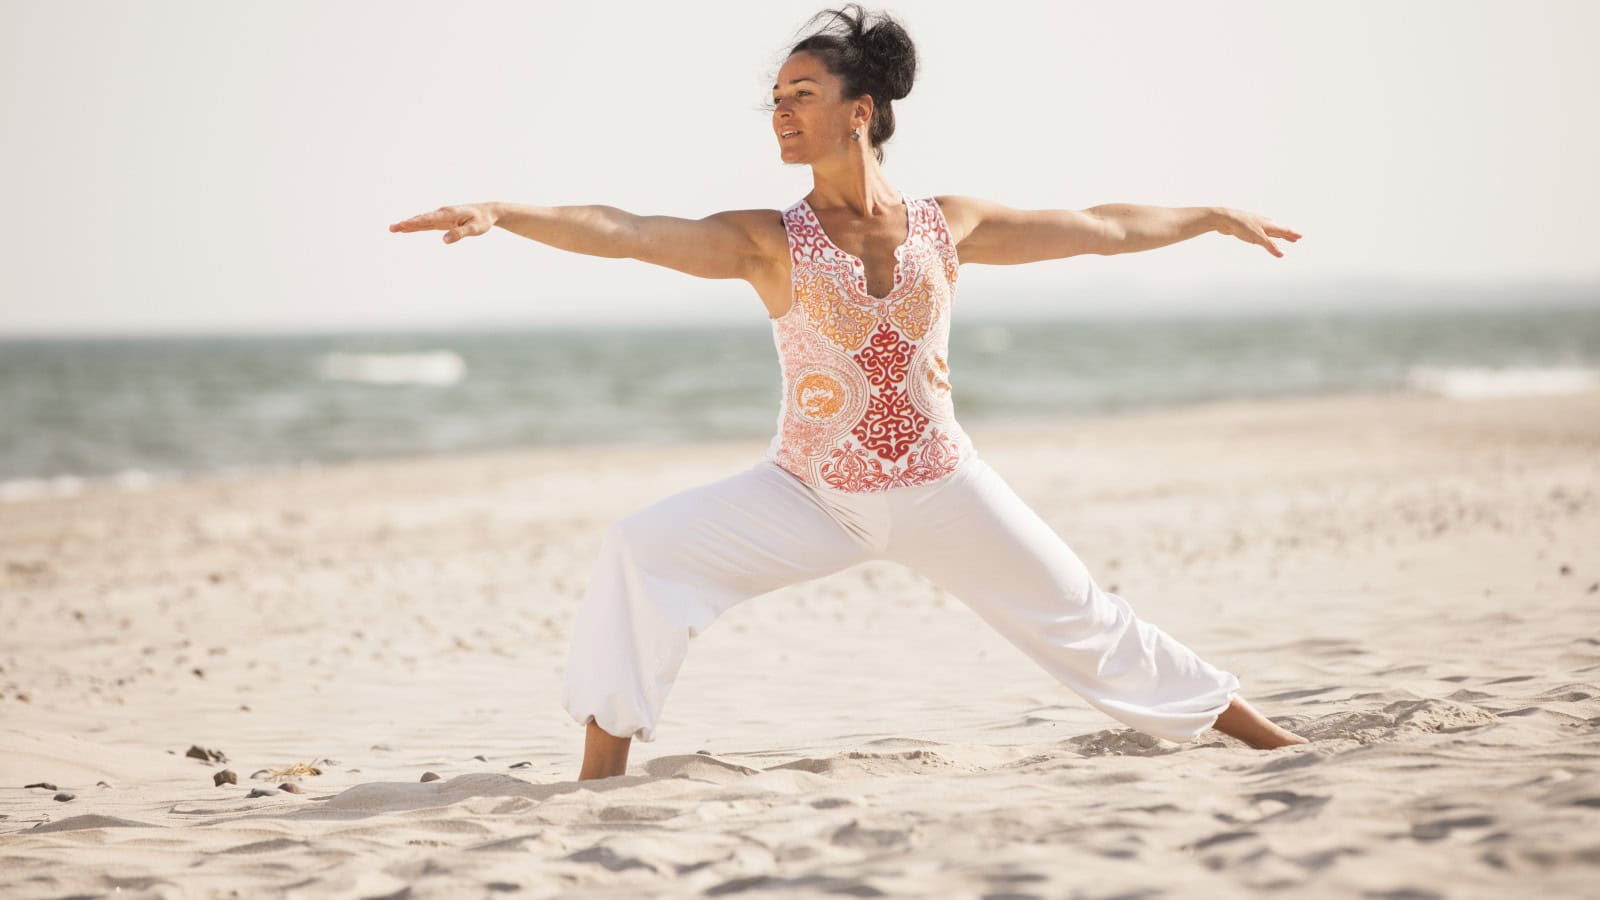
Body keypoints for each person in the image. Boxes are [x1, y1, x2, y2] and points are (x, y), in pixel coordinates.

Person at [389, 4, 1309, 781]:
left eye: (803, 96)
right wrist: (505, 214)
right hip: (809, 494)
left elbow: (1101, 227)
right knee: (643, 551)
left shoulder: (950, 226)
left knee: (1085, 621)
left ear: (860, 111)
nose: (781, 114)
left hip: (945, 486)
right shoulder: (769, 240)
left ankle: (1273, 742)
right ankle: (595, 785)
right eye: (777, 100)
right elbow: (628, 230)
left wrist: (1211, 217)